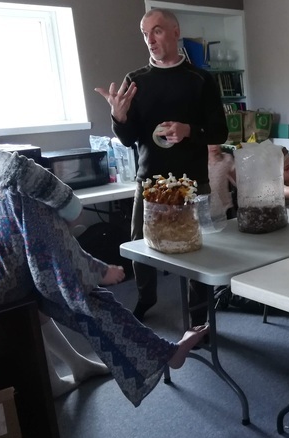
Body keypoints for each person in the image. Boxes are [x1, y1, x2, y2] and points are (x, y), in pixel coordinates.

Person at [0, 72, 206, 406]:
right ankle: (89, 267)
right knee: (17, 196)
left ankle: (144, 352)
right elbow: (14, 171)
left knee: (61, 276)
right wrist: (70, 206)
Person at [95, 8, 228, 325]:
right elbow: (128, 139)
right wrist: (119, 118)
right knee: (142, 246)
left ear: (175, 31)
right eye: (144, 33)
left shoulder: (201, 80)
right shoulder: (135, 81)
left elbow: (221, 132)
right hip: (150, 182)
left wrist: (189, 131)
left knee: (198, 250)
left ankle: (198, 315)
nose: (149, 39)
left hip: (192, 181)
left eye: (156, 30)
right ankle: (146, 297)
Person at [207, 144, 236, 219]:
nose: (214, 146)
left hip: (225, 207)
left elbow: (237, 181)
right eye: (210, 143)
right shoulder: (200, 161)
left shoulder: (227, 159)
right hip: (206, 209)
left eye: (216, 143)